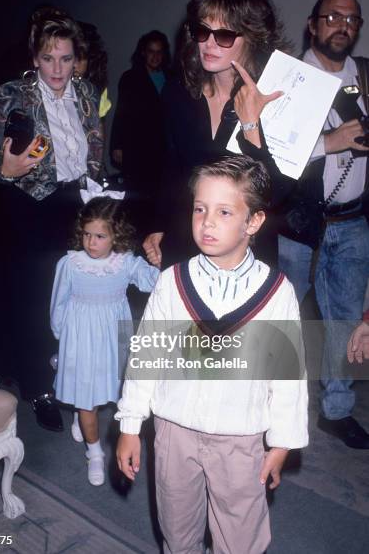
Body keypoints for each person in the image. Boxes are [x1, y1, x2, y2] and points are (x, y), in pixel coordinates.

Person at [116, 155, 308, 554]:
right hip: (174, 431)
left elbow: (288, 375)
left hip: (240, 438)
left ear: (253, 222)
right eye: (200, 209)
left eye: (224, 212)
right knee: (176, 527)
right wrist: (131, 424)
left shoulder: (277, 292)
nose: (206, 222)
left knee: (240, 536)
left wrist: (283, 442)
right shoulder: (172, 282)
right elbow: (148, 354)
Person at [0, 7, 104, 432]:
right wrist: (5, 169)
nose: (57, 68)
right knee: (37, 302)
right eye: (48, 58)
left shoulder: (85, 92)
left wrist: (95, 185)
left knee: (75, 299)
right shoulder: (8, 96)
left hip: (72, 206)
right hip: (28, 208)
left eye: (65, 58)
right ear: (35, 57)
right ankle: (40, 387)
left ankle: (71, 376)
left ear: (76, 57)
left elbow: (94, 141)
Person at [143, 0, 293, 270]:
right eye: (202, 31)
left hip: (246, 251)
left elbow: (276, 195)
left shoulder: (278, 94)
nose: (209, 44)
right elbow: (172, 167)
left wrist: (250, 125)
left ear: (251, 37)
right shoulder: (179, 91)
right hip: (185, 238)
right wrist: (158, 224)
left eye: (224, 35)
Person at [278, 0, 369, 449]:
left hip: (353, 222)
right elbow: (269, 156)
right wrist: (329, 144)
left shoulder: (365, 77)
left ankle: (336, 411)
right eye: (332, 17)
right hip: (299, 224)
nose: (342, 25)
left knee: (347, 322)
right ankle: (275, 413)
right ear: (312, 24)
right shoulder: (289, 79)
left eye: (352, 19)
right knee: (284, 320)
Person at [50, 194, 159, 486]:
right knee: (87, 398)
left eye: (100, 236)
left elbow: (154, 282)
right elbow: (58, 301)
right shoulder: (71, 263)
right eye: (86, 234)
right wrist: (61, 335)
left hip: (114, 338)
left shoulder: (124, 263)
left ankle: (81, 411)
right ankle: (94, 452)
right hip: (81, 337)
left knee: (113, 386)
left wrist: (157, 261)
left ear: (116, 235)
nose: (91, 242)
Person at [109, 30, 171, 232]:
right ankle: (133, 237)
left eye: (159, 52)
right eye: (151, 51)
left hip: (164, 148)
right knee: (136, 198)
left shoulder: (172, 77)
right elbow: (121, 113)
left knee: (159, 197)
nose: (155, 56)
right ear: (143, 52)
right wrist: (117, 145)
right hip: (137, 148)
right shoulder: (130, 78)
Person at [74, 21, 111, 120]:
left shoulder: (96, 89)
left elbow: (99, 128)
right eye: (67, 59)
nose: (73, 65)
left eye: (80, 59)